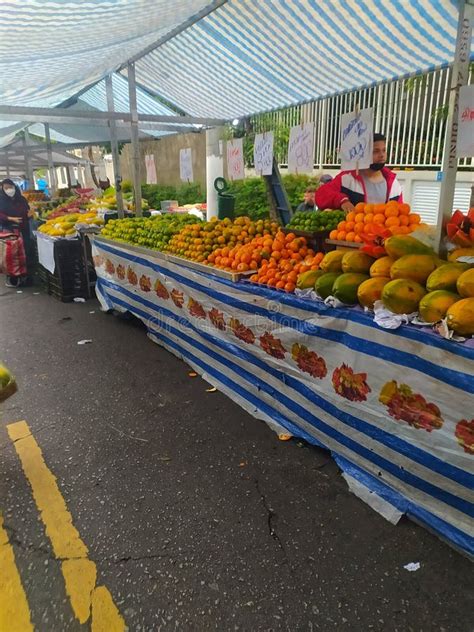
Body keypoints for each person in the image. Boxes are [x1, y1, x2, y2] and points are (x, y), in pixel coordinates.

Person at [314, 133, 403, 212]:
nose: (382, 155)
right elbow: (321, 194)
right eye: (375, 151)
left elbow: (400, 213)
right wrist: (342, 201)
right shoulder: (348, 178)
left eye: (384, 150)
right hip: (353, 229)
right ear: (363, 153)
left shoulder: (393, 184)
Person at [0, 179, 32, 287]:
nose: (9, 190)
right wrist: (10, 218)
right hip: (9, 230)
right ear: (3, 189)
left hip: (24, 228)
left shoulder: (21, 199)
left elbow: (27, 210)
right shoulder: (1, 200)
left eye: (11, 187)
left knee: (25, 251)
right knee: (12, 255)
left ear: (15, 187)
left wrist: (30, 214)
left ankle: (25, 276)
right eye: (6, 188)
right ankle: (13, 278)